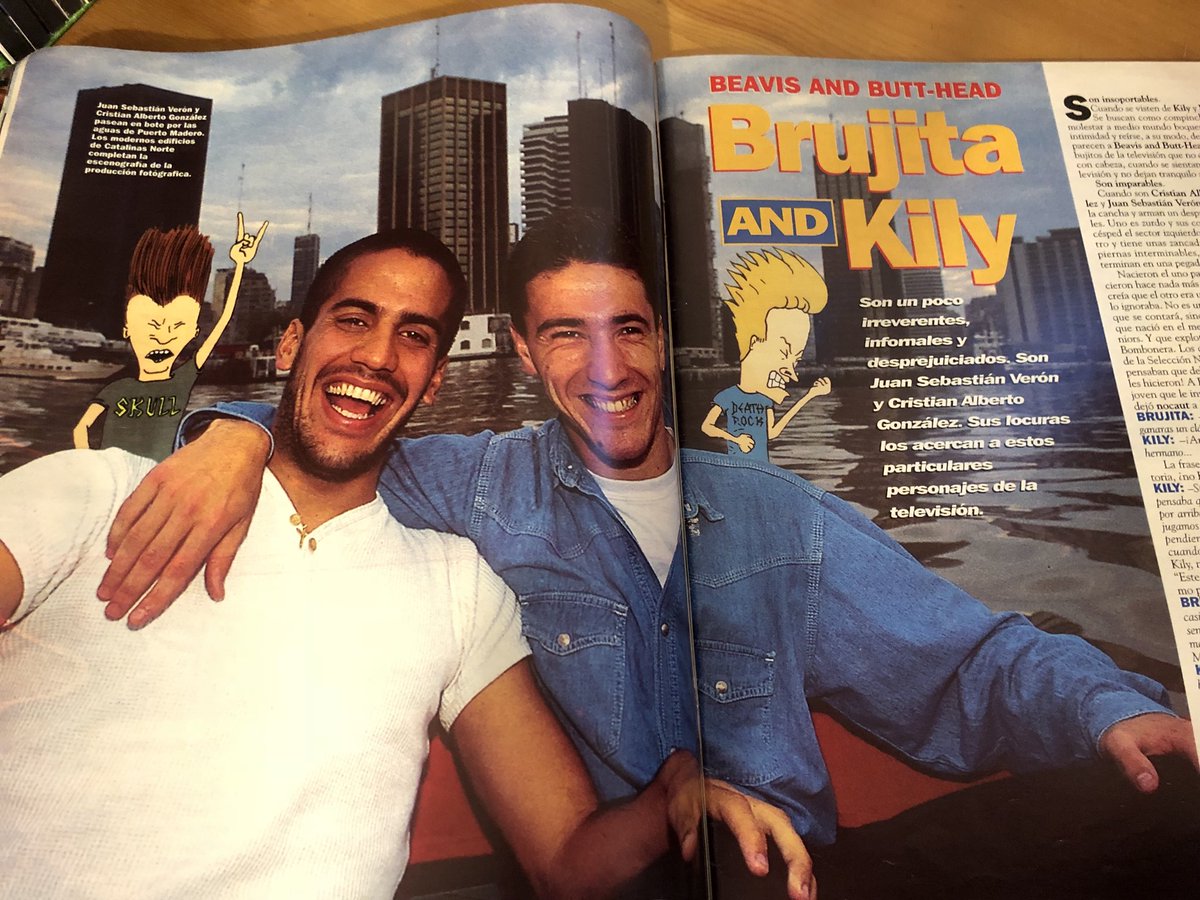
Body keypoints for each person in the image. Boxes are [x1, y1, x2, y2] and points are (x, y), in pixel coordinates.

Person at [95, 209, 1196, 898]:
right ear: (522, 351)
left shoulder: (776, 512)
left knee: (1169, 801)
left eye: (627, 328)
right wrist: (232, 437)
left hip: (800, 874)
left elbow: (972, 660)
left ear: (664, 338)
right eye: (565, 334)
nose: (606, 367)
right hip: (622, 878)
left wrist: (1110, 710)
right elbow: (333, 429)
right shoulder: (468, 483)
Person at [0, 229, 711, 900]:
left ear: (435, 380)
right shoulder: (93, 492)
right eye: (353, 320)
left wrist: (676, 796)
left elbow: (566, 860)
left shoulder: (457, 585)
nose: (376, 356)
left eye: (414, 336)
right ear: (290, 344)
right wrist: (233, 436)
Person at [72, 212, 268, 460]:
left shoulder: (182, 380)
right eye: (150, 324)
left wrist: (239, 266)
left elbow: (224, 319)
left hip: (159, 476)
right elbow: (81, 428)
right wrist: (90, 466)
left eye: (177, 326)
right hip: (113, 476)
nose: (163, 337)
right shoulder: (116, 389)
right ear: (127, 328)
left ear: (193, 332)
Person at [701, 248, 831, 462]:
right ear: (754, 342)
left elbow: (772, 433)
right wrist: (735, 438)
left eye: (796, 360)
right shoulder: (727, 397)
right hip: (739, 470)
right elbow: (707, 426)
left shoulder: (765, 400)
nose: (792, 374)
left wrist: (810, 396)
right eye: (783, 352)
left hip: (763, 471)